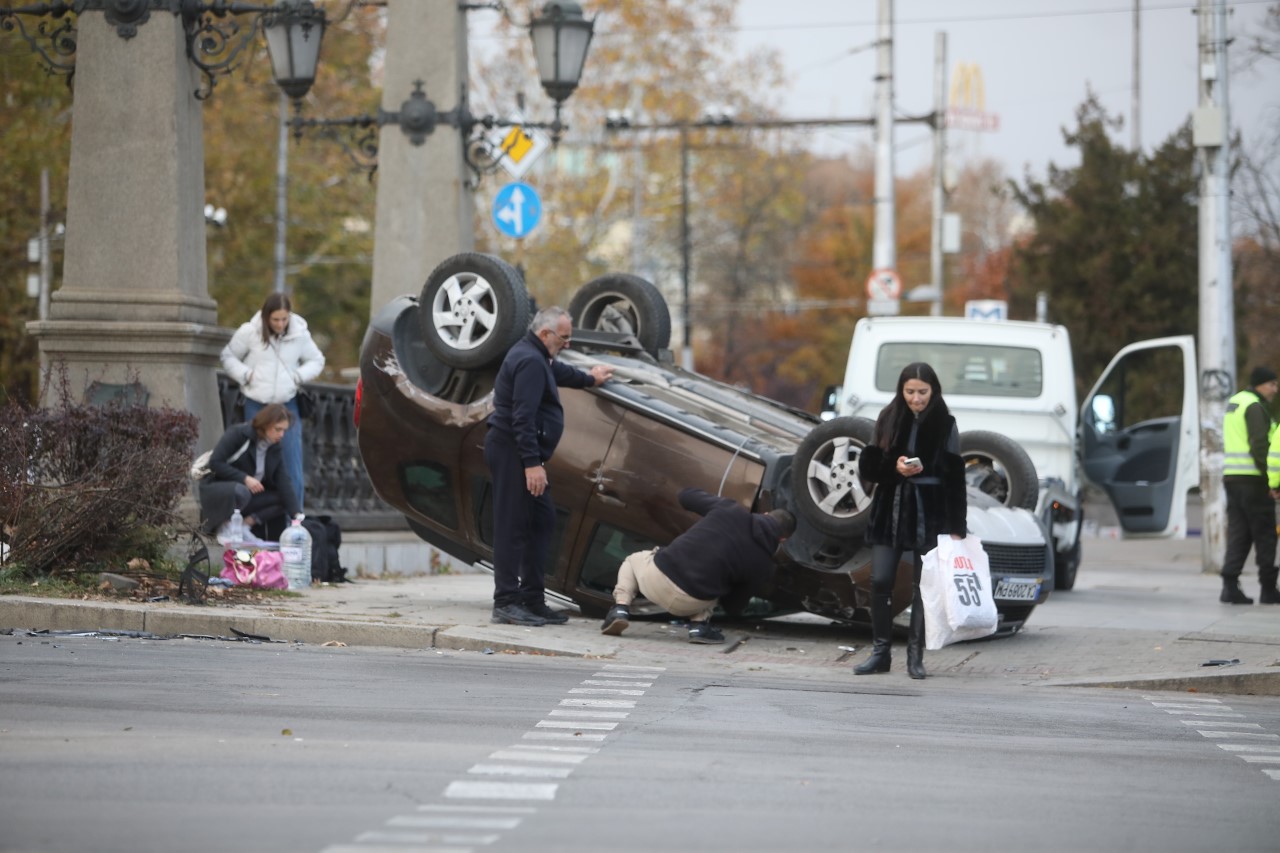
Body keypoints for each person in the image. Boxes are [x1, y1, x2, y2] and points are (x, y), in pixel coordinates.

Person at [484, 307, 613, 626]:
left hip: (520, 454)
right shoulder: (529, 360)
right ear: (545, 334)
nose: (568, 343)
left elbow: (558, 372)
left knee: (541, 520)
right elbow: (522, 417)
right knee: (512, 525)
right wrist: (532, 464)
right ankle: (506, 602)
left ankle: (531, 598)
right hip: (513, 452)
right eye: (564, 337)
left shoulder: (537, 356)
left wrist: (590, 378)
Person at [854, 362, 967, 680]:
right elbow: (869, 465)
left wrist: (958, 526)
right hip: (891, 507)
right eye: (910, 392)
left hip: (929, 512)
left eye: (922, 392)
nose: (916, 399)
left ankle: (915, 657)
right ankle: (880, 653)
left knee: (923, 586)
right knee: (880, 580)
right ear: (901, 391)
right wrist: (896, 468)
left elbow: (956, 476)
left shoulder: (946, 423)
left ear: (934, 390)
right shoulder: (889, 416)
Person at [601, 488, 795, 644]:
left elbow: (685, 496)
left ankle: (621, 608)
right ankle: (699, 626)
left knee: (633, 559)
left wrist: (715, 503)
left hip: (656, 580)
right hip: (692, 602)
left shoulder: (731, 509)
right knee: (718, 584)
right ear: (783, 539)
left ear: (766, 513)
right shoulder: (764, 565)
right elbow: (733, 607)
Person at [221, 293, 325, 510]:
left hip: (286, 405)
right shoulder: (250, 332)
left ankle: (295, 520)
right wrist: (247, 375)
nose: (280, 324)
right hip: (256, 404)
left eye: (284, 319)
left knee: (291, 463)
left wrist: (297, 376)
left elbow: (317, 360)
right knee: (255, 461)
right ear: (267, 316)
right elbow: (228, 356)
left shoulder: (300, 334)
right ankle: (254, 517)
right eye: (275, 319)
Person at [198, 404, 301, 544]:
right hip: (221, 491)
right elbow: (216, 463)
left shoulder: (274, 448)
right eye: (278, 429)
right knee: (241, 491)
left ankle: (244, 526)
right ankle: (224, 526)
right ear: (265, 424)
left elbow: (284, 481)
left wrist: (297, 515)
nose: (281, 435)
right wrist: (244, 478)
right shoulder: (240, 433)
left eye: (284, 430)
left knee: (283, 498)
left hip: (246, 497)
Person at [1221, 366, 1279, 605]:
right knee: (1265, 534)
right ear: (1260, 384)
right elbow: (1259, 446)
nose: (1275, 389)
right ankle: (1268, 589)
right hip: (1254, 481)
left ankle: (1229, 586)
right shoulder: (1254, 406)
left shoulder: (1235, 402)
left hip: (1232, 478)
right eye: (1272, 384)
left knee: (1239, 533)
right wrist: (1271, 480)